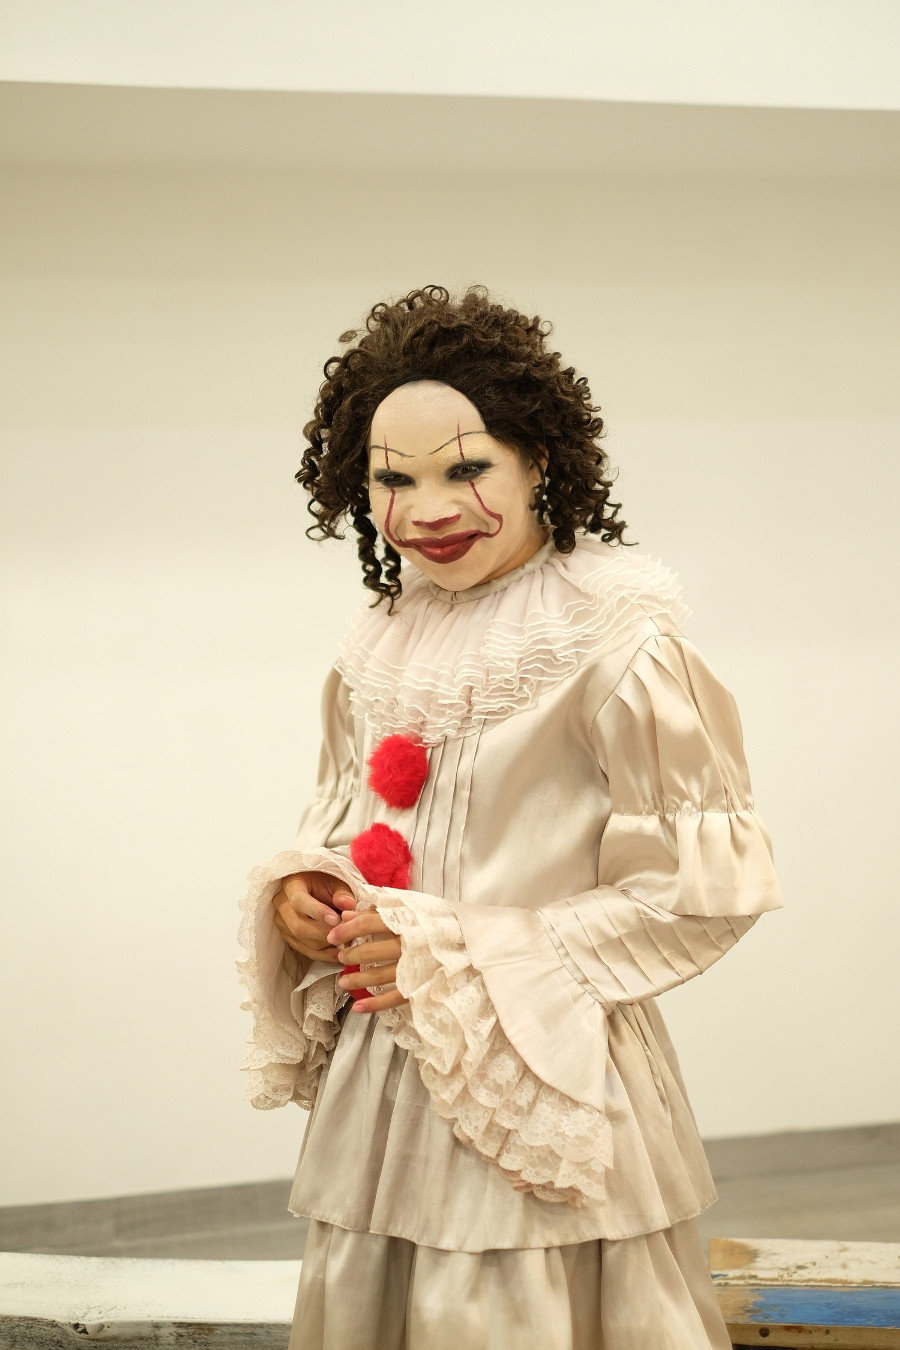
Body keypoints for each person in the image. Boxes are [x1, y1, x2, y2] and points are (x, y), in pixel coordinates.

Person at [237, 285, 783, 1350]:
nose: (426, 509)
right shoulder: (379, 644)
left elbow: (695, 893)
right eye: (392, 478)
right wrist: (312, 889)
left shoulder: (617, 644)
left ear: (539, 461)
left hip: (542, 1068)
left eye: (466, 469)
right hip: (390, 1080)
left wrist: (462, 949)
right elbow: (351, 817)